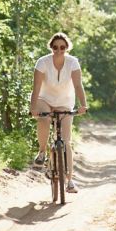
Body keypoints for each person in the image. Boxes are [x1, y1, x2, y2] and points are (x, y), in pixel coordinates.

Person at [29, 32, 88, 193]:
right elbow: (36, 88)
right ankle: (42, 152)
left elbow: (78, 85)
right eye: (55, 47)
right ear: (51, 47)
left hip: (64, 101)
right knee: (44, 120)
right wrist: (32, 108)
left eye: (62, 47)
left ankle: (69, 181)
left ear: (67, 48)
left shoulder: (73, 62)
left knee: (66, 141)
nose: (59, 50)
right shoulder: (42, 62)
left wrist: (83, 105)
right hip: (44, 99)